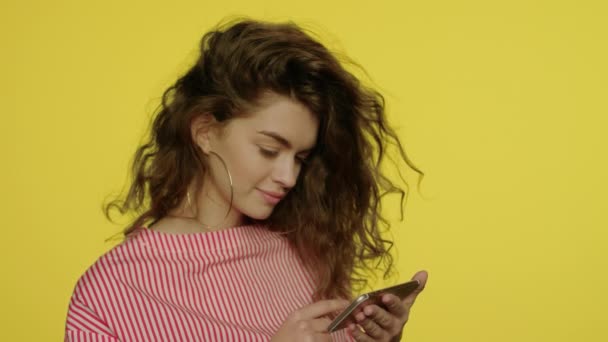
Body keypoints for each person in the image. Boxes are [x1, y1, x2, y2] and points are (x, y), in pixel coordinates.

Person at [64, 18, 428, 342]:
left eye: (300, 158)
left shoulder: (304, 251)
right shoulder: (110, 293)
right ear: (205, 131)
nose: (288, 177)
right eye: (269, 150)